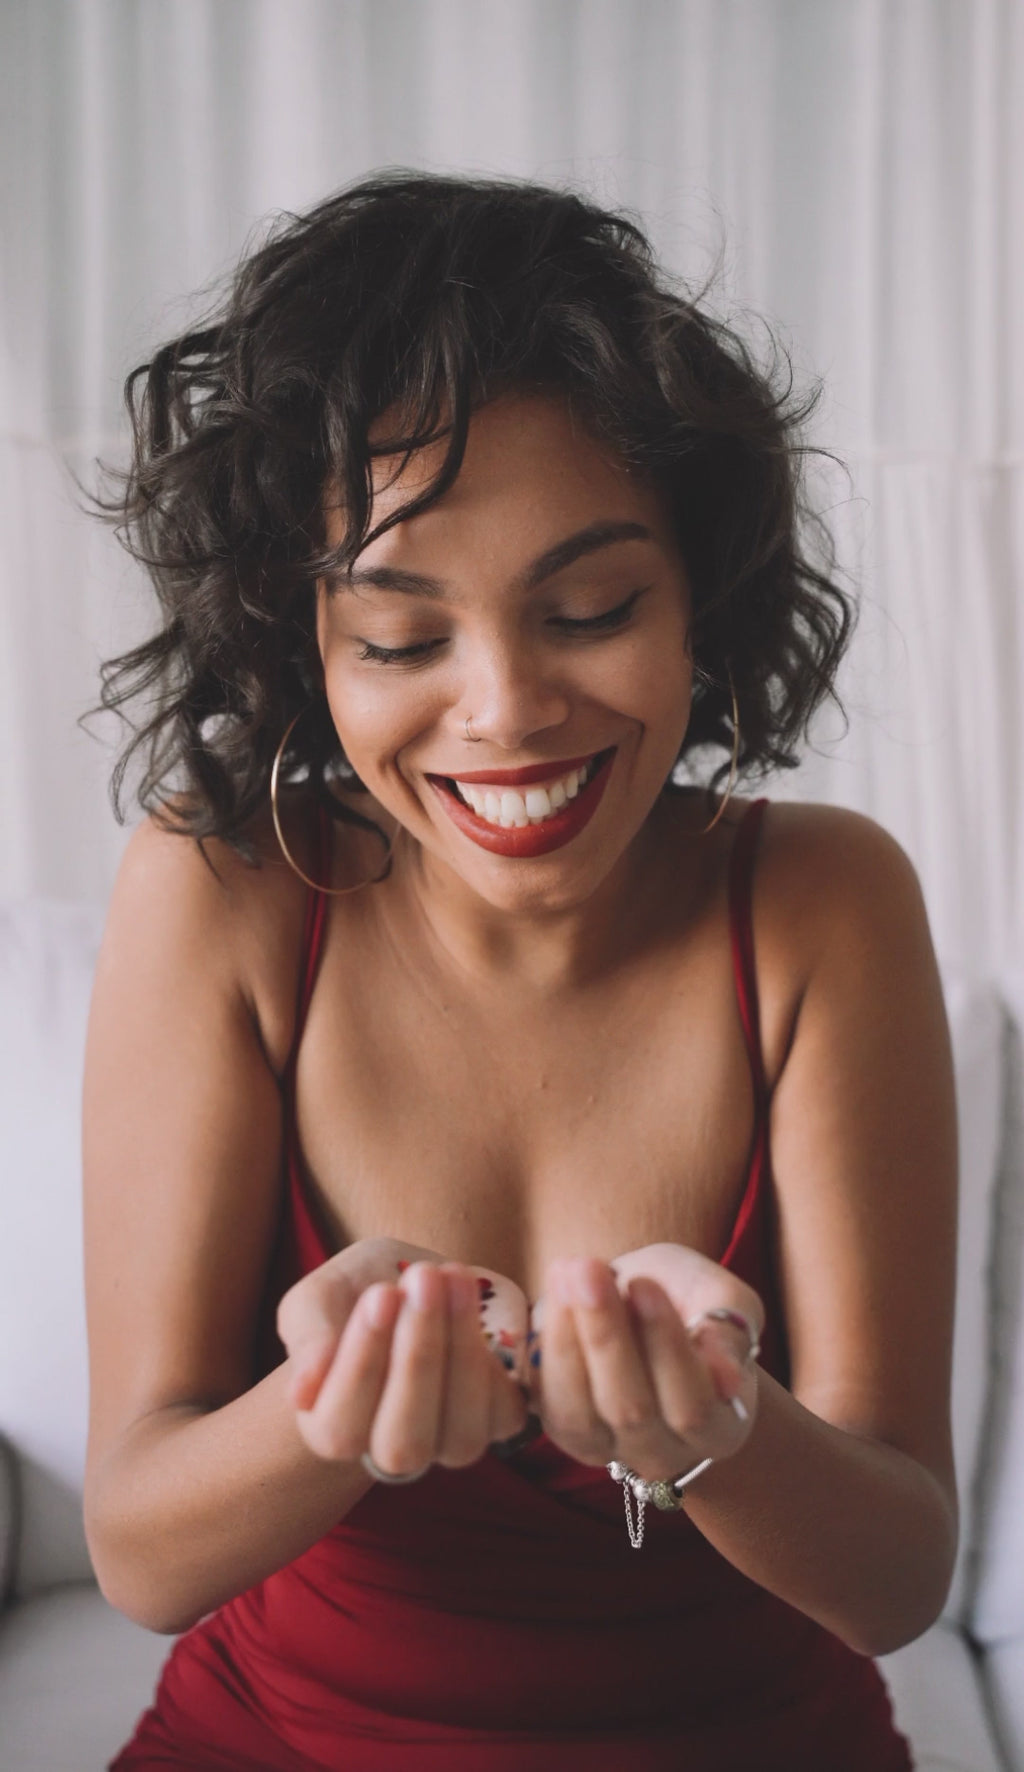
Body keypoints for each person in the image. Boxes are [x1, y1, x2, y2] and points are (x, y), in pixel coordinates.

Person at [82, 172, 957, 1771]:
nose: (504, 710)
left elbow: (900, 1577)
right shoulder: (225, 896)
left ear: (702, 599)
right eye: (405, 641)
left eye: (590, 607)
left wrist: (720, 1437)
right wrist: (328, 1415)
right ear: (304, 653)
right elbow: (140, 1550)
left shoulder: (824, 903)